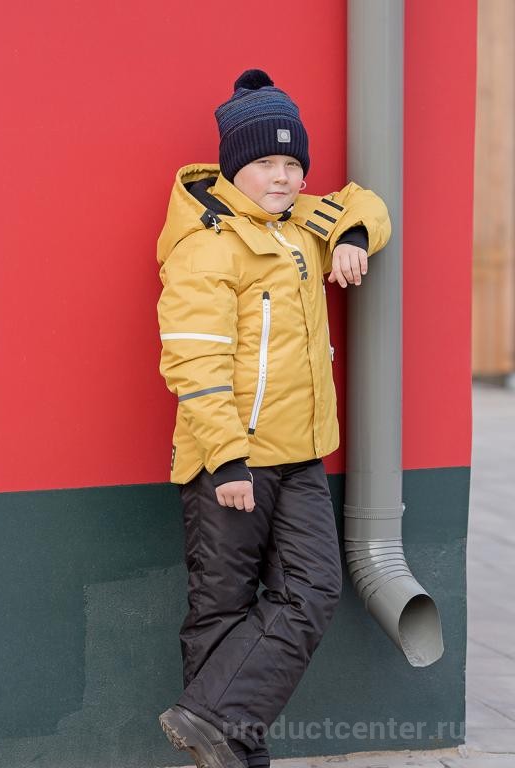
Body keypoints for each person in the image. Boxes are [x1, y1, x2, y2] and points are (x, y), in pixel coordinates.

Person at [156, 69, 391, 768]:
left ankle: (208, 719)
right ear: (235, 167)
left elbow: (367, 203)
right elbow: (195, 363)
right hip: (230, 462)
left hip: (300, 457)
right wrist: (228, 459)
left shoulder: (302, 226)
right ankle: (232, 752)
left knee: (312, 589)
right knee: (221, 611)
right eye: (266, 162)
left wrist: (351, 234)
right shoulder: (207, 246)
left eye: (293, 163)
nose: (283, 177)